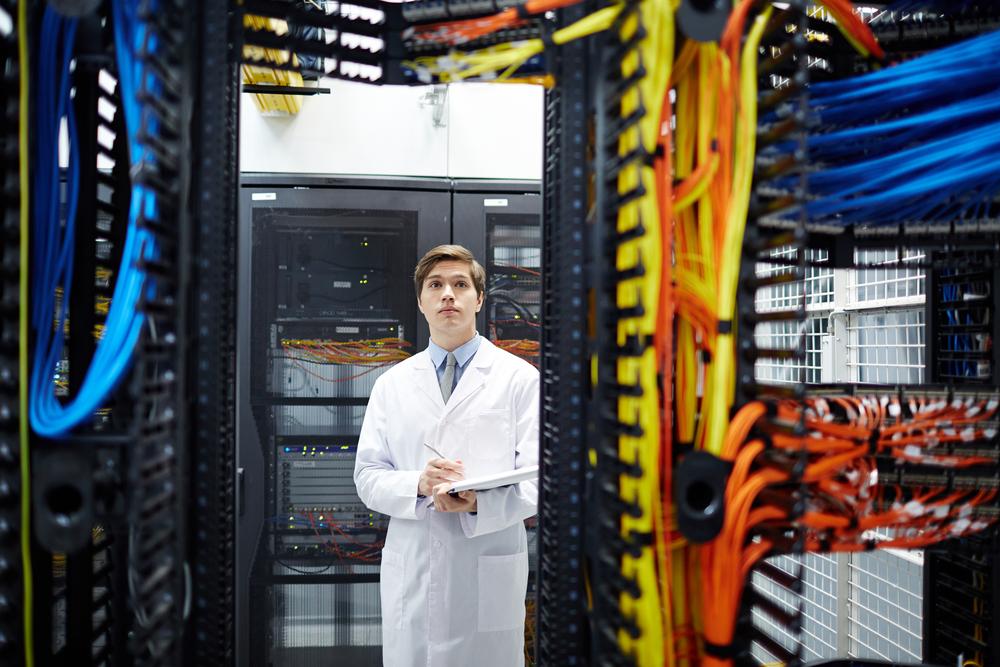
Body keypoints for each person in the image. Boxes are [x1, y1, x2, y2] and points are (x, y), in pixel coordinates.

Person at [354, 244, 539, 667]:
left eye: (460, 284)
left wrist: (481, 501)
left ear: (479, 298)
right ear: (421, 301)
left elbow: (538, 480)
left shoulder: (519, 379)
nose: (448, 295)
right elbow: (367, 477)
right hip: (414, 571)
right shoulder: (392, 384)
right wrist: (418, 483)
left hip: (486, 564)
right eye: (435, 285)